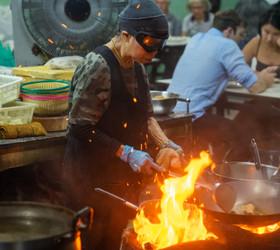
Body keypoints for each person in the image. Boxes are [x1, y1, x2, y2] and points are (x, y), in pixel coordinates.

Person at [62, 1, 184, 249]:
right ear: (126, 36)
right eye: (149, 47)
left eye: (157, 49)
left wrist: (167, 144)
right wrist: (126, 152)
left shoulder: (138, 66)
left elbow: (147, 116)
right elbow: (79, 127)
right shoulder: (98, 65)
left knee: (118, 238)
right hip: (91, 179)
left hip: (119, 179)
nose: (153, 55)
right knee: (94, 242)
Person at [168, 10, 277, 162]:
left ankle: (213, 168)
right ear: (229, 31)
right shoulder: (227, 45)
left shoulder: (197, 39)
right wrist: (265, 80)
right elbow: (255, 87)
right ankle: (228, 178)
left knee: (228, 127)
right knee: (243, 136)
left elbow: (224, 70)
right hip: (193, 116)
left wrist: (255, 75)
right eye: (240, 35)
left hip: (171, 113)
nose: (240, 41)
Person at [243, 6, 280, 76]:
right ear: (260, 28)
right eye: (266, 32)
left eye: (276, 34)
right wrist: (258, 74)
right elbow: (238, 67)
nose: (269, 38)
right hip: (263, 86)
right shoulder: (257, 43)